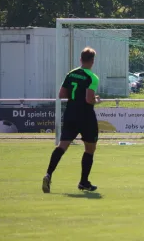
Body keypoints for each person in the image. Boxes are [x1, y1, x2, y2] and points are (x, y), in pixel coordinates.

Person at [42, 47, 101, 193]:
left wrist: (75, 98)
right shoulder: (92, 77)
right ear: (92, 61)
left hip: (70, 113)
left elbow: (61, 94)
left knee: (62, 146)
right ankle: (83, 182)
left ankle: (48, 174)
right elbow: (89, 99)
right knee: (90, 148)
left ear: (80, 59)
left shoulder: (71, 74)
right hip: (86, 116)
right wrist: (97, 100)